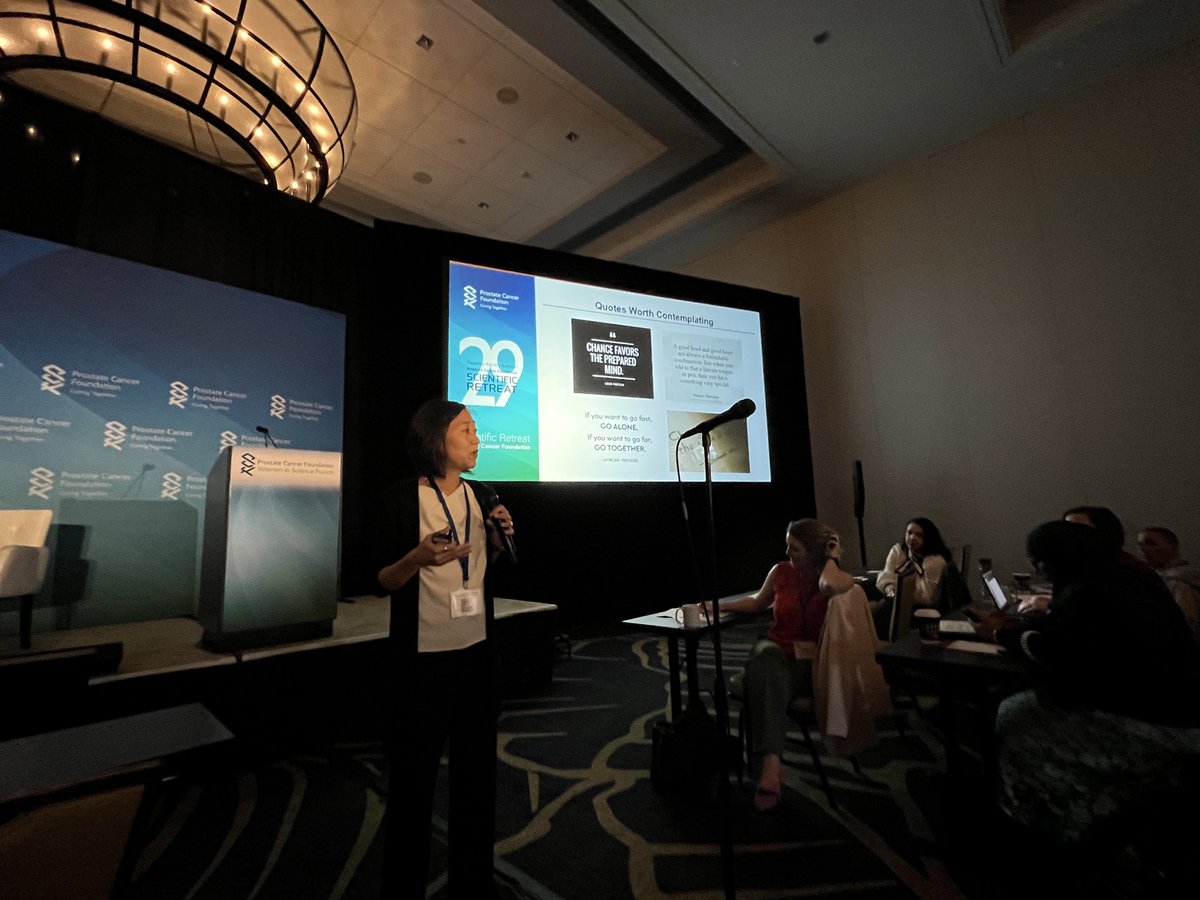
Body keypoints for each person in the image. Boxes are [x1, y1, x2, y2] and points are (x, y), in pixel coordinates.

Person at [971, 520, 1200, 845]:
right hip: (1176, 703)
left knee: (1013, 713)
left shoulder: (1090, 591)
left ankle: (1039, 816)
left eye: (1040, 563)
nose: (1040, 570)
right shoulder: (1123, 577)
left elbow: (1060, 655)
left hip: (1159, 720)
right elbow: (1083, 641)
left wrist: (1001, 633)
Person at [372, 399, 515, 899]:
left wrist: (496, 544)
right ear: (437, 440)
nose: (478, 439)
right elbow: (384, 581)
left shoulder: (481, 496)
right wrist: (417, 557)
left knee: (476, 784)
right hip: (420, 666)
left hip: (476, 658)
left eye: (476, 430)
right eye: (467, 430)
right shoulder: (399, 499)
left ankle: (472, 884)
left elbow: (479, 575)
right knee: (413, 786)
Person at [702, 518, 851, 811]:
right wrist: (719, 605)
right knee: (765, 656)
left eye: (795, 549)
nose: (788, 553)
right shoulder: (781, 572)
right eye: (787, 546)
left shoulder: (831, 577)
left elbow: (834, 584)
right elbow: (759, 602)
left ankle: (767, 763)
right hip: (779, 655)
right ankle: (772, 761)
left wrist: (830, 559)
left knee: (764, 680)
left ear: (814, 551)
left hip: (815, 667)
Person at [1138, 526, 1200, 643]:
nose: (1143, 549)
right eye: (1140, 544)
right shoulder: (1154, 576)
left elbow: (1184, 622)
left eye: (1150, 543)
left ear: (1173, 547)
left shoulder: (1178, 580)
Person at [876, 517, 952, 608]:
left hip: (920, 606)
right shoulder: (898, 551)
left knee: (883, 607)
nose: (912, 538)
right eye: (909, 533)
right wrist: (892, 591)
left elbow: (928, 598)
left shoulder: (935, 561)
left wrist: (901, 595)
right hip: (894, 596)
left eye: (919, 535)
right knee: (862, 589)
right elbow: (887, 575)